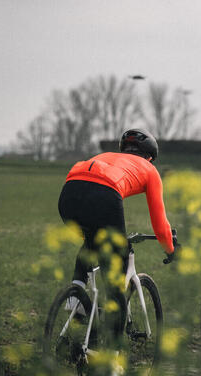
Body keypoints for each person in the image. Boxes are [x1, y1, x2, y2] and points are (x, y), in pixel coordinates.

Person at [57, 129, 176, 310]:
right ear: (150, 157)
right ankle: (113, 332)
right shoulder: (150, 170)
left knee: (91, 240)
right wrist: (171, 250)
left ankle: (76, 298)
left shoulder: (105, 156)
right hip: (104, 195)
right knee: (117, 271)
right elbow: (160, 226)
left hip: (68, 193)